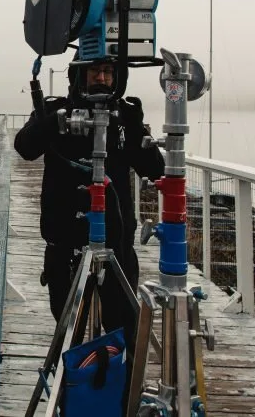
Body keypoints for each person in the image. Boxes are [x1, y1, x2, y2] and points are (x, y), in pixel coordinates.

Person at [13, 59, 165, 336]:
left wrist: (135, 127)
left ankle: (124, 377)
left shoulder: (124, 116)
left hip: (116, 240)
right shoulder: (55, 110)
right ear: (78, 75)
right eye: (94, 71)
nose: (102, 78)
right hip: (63, 237)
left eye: (109, 72)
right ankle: (72, 376)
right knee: (69, 328)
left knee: (124, 327)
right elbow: (25, 148)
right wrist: (52, 122)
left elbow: (155, 169)